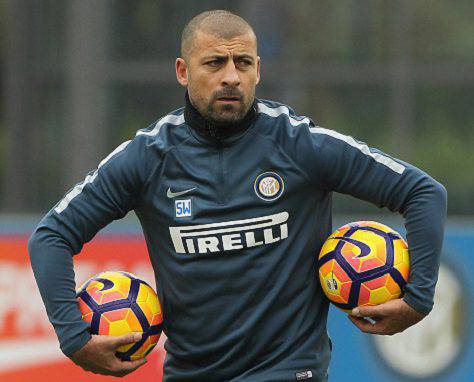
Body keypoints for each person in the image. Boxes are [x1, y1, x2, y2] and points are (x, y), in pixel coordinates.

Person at [28, 9, 447, 382]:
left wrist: (418, 299)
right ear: (182, 70)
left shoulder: (299, 144)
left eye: (242, 62)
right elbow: (51, 237)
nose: (231, 76)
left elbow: (423, 192)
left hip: (290, 369)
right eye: (214, 62)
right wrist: (74, 338)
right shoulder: (148, 157)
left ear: (258, 70)